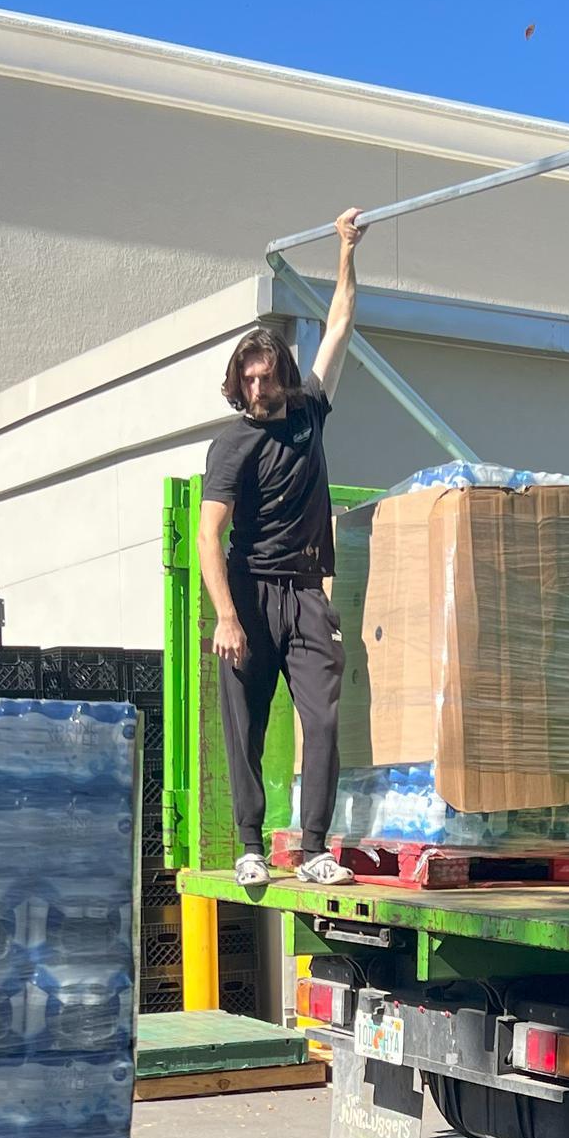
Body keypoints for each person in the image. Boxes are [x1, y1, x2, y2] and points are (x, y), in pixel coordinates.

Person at [199, 210, 365, 891]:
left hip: (303, 591)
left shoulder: (310, 411)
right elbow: (209, 533)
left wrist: (346, 249)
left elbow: (342, 323)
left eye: (268, 377)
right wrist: (227, 617)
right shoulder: (230, 444)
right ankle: (249, 844)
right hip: (247, 591)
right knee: (246, 720)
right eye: (250, 380)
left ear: (282, 375)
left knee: (323, 715)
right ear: (238, 383)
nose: (260, 388)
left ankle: (316, 846)